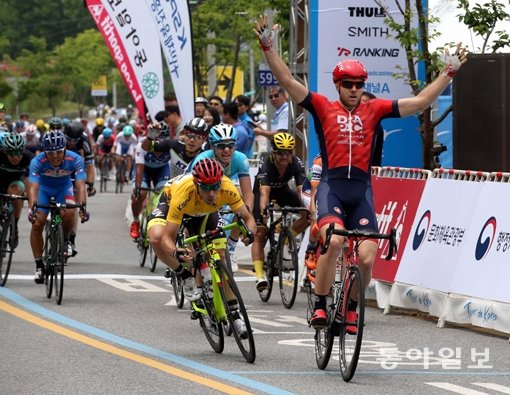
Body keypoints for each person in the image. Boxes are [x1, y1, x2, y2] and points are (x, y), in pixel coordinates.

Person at [253, 14, 468, 330]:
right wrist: (267, 47)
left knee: (368, 256)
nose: (354, 90)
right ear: (338, 85)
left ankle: (352, 305)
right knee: (335, 242)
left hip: (361, 190)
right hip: (332, 187)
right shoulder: (323, 107)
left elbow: (421, 102)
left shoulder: (375, 108)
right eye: (348, 84)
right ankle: (322, 304)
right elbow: (287, 80)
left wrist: (448, 73)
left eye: (359, 84)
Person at [156, 158, 256, 336]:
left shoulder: (227, 188)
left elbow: (248, 218)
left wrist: (249, 233)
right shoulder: (183, 194)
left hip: (205, 211)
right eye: (207, 188)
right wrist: (175, 251)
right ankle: (188, 276)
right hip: (178, 206)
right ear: (196, 184)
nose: (212, 193)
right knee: (177, 243)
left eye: (215, 186)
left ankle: (235, 315)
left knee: (219, 255)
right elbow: (166, 238)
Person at [186, 123, 254, 272]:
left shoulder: (240, 159)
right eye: (221, 146)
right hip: (198, 192)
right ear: (213, 147)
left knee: (242, 207)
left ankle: (230, 248)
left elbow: (248, 193)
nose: (227, 150)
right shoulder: (202, 160)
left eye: (231, 145)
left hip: (219, 188)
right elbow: (194, 195)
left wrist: (246, 215)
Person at [28, 130, 89, 284]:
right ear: (44, 152)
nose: (55, 157)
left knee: (70, 212)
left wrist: (82, 207)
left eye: (58, 152)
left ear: (64, 149)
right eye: (50, 153)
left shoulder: (75, 159)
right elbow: (33, 187)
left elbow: (81, 186)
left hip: (64, 189)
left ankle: (66, 239)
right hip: (43, 190)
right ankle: (39, 265)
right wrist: (32, 208)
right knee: (37, 223)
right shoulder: (37, 161)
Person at [250, 131, 309, 290]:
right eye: (281, 153)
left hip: (283, 191)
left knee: (308, 215)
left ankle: (285, 239)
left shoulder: (296, 162)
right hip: (262, 192)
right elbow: (264, 193)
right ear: (274, 152)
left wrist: (307, 207)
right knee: (260, 232)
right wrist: (263, 212)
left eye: (288, 152)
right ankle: (259, 276)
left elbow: (301, 190)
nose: (285, 157)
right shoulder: (266, 162)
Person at [142, 117, 207, 178]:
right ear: (184, 133)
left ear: (204, 140)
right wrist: (150, 137)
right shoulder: (174, 145)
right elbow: (145, 147)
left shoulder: (206, 158)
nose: (192, 140)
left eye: (198, 137)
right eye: (189, 134)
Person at [0, 133, 35, 248]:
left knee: (15, 193)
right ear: (5, 151)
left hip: (17, 181)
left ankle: (14, 225)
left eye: (19, 152)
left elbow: (30, 181)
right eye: (12, 153)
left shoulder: (29, 157)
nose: (16, 157)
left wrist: (31, 206)